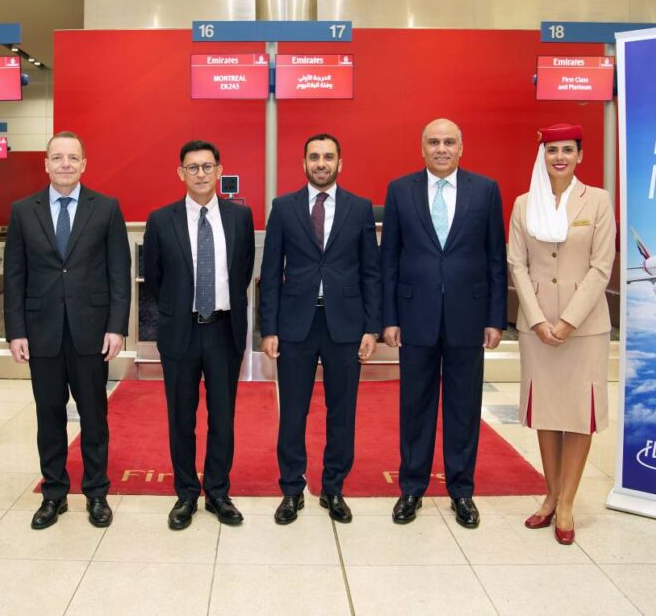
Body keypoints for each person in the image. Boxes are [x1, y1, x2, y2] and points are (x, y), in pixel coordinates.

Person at [380, 118, 507, 528]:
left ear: (461, 147)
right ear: (422, 148)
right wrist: (390, 318)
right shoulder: (400, 190)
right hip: (414, 317)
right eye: (433, 142)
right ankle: (412, 487)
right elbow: (390, 260)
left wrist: (495, 317)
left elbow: (494, 259)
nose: (441, 149)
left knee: (463, 407)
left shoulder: (485, 190)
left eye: (449, 142)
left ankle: (462, 491)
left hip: (468, 318)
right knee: (414, 406)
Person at [3, 131, 131, 530]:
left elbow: (118, 274)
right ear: (46, 164)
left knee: (94, 416)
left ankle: (96, 493)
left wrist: (116, 327)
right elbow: (15, 275)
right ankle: (54, 494)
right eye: (57, 157)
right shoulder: (24, 210)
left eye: (72, 158)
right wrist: (15, 331)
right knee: (49, 415)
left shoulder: (106, 208)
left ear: (84, 163)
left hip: (91, 332)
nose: (65, 164)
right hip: (40, 333)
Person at [259, 133, 381, 525]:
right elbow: (270, 271)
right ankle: (292, 489)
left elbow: (371, 272)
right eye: (314, 157)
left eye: (329, 157)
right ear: (304, 163)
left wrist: (371, 328)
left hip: (345, 326)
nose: (322, 163)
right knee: (292, 412)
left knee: (341, 412)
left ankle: (333, 488)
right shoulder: (284, 207)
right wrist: (268, 328)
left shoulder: (360, 208)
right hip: (296, 325)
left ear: (340, 163)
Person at [507, 124, 615, 545]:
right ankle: (550, 496)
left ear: (580, 155)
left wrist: (569, 320)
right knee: (547, 414)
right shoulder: (523, 205)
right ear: (542, 154)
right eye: (552, 149)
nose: (559, 157)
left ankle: (568, 502)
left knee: (578, 416)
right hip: (537, 327)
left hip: (584, 327)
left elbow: (601, 266)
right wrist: (536, 319)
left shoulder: (598, 201)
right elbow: (517, 264)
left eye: (567, 150)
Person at [143, 140, 254, 531]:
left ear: (219, 170)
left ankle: (219, 492)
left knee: (223, 418)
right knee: (181, 417)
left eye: (208, 166)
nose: (201, 174)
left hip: (224, 330)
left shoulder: (240, 218)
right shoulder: (161, 219)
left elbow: (242, 273)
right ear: (181, 174)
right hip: (181, 332)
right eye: (193, 167)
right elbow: (155, 278)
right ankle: (186, 493)